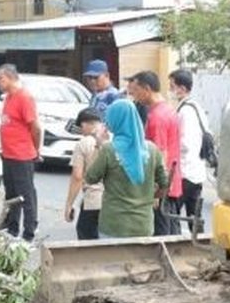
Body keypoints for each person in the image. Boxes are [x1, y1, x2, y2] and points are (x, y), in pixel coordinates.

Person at [84, 99, 167, 238]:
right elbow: (165, 183)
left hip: (114, 225)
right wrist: (148, 196)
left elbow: (90, 178)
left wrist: (98, 145)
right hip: (143, 225)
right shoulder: (152, 150)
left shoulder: (108, 150)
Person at [127, 71, 182, 235]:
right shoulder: (168, 110)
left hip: (162, 187)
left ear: (147, 89)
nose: (134, 96)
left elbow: (160, 155)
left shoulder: (156, 117)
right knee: (172, 230)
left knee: (161, 234)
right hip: (172, 182)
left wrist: (157, 190)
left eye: (136, 91)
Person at [0, 64, 41, 242]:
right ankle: (12, 226)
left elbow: (35, 127)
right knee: (11, 193)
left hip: (22, 154)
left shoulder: (24, 97)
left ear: (11, 77)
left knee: (26, 194)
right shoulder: (8, 98)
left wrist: (35, 149)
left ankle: (29, 230)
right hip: (8, 153)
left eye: (1, 78)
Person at [168, 68, 214, 230]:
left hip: (185, 172)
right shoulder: (196, 107)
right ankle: (197, 244)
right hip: (197, 171)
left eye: (172, 86)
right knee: (194, 215)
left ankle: (176, 246)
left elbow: (185, 143)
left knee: (172, 215)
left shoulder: (185, 111)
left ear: (182, 88)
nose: (170, 90)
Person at [63, 107, 105, 240]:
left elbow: (77, 176)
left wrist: (69, 204)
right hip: (114, 200)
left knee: (87, 239)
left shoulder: (83, 143)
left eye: (81, 127)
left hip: (93, 200)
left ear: (85, 124)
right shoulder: (114, 139)